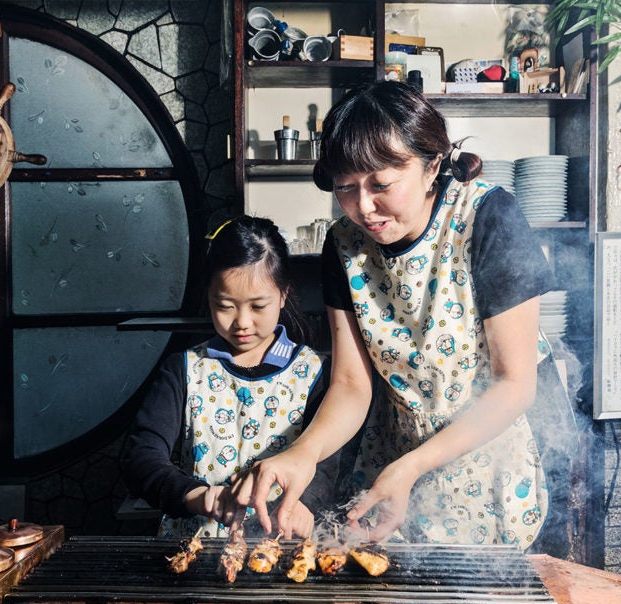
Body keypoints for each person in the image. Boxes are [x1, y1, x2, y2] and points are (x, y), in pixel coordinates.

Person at [233, 80, 574, 550]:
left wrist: (412, 466)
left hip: (493, 455)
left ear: (432, 165)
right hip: (394, 457)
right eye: (346, 188)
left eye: (382, 184)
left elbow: (513, 384)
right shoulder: (343, 243)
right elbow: (352, 385)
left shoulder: (487, 216)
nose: (364, 207)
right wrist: (302, 454)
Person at [121, 215, 339, 539]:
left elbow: (327, 463)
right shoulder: (184, 369)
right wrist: (198, 496)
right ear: (208, 297)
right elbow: (140, 457)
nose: (242, 322)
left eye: (258, 306)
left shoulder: (314, 373)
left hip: (280, 549)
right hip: (193, 550)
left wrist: (308, 504)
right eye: (225, 305)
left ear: (282, 295)